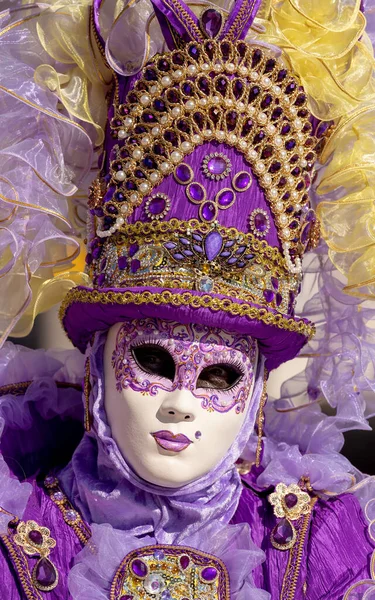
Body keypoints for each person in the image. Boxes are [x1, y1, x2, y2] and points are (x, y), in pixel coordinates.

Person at [0, 0, 375, 598]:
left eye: (220, 377)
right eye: (151, 361)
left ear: (254, 394)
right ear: (96, 365)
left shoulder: (319, 550)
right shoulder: (13, 535)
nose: (180, 405)